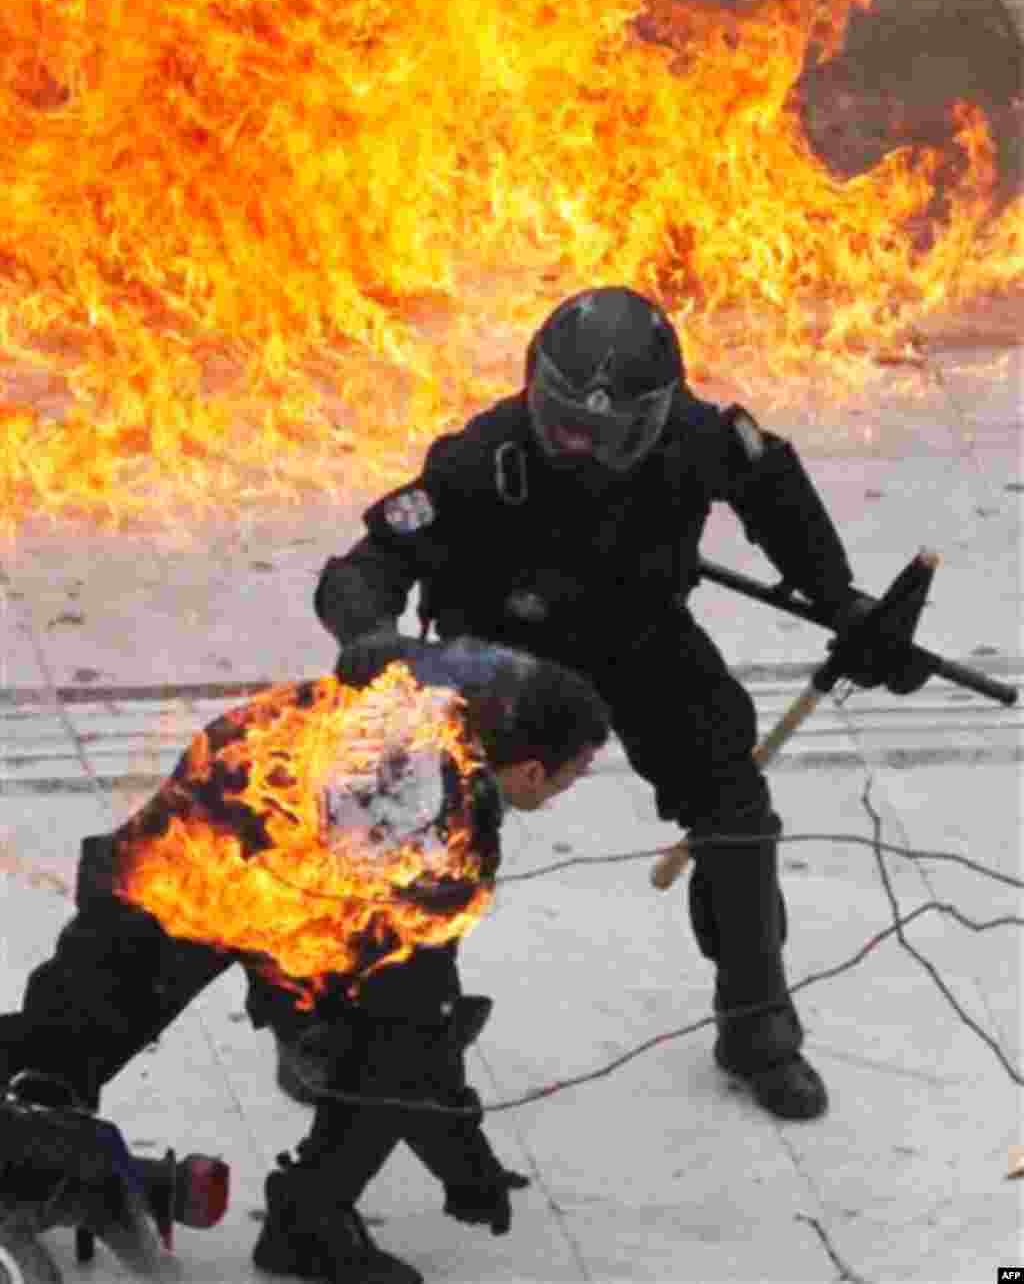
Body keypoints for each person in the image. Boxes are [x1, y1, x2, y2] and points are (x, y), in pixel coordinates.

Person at [314, 285, 929, 1125]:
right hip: (505, 659)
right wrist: (370, 632)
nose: (578, 446)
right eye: (562, 420)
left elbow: (773, 485)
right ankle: (360, 1030)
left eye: (605, 434)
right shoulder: (475, 460)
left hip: (635, 637)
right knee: (416, 827)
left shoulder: (698, 436)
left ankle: (758, 1028)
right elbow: (362, 567)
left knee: (735, 803)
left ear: (655, 415)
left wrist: (847, 604)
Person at [0, 635, 611, 1284]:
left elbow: (365, 660)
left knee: (78, 1015)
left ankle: (36, 1114)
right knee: (400, 1039)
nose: (567, 790)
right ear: (532, 771)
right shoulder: (444, 819)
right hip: (204, 863)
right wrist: (468, 1166)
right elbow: (418, 1004)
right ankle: (306, 1217)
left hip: (204, 843)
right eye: (573, 775)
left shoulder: (428, 701)